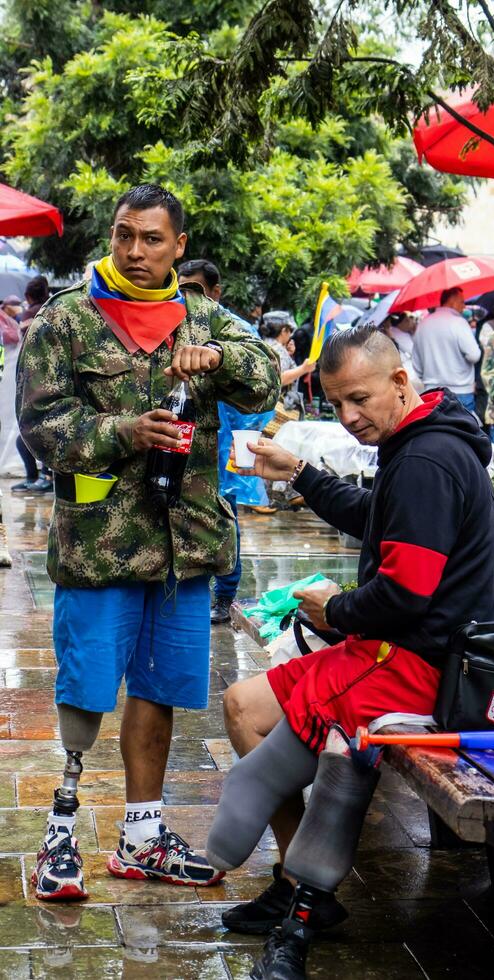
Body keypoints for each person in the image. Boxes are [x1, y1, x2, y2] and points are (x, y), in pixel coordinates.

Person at [203, 324, 494, 980]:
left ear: (400, 382)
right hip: (397, 649)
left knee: (345, 742)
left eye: (359, 399)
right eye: (336, 403)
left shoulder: (424, 459)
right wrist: (303, 474)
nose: (348, 416)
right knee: (243, 706)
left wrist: (332, 608)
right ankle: (294, 881)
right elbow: (380, 520)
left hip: (429, 667)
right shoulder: (417, 440)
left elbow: (406, 596)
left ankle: (303, 916)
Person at [16, 183, 279, 902]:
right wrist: (123, 432)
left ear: (179, 247)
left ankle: (141, 835)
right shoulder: (65, 321)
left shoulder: (204, 318)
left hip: (182, 548)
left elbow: (264, 387)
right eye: (124, 235)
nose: (135, 251)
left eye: (152, 239)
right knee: (86, 688)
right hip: (101, 545)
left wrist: (218, 360)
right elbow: (40, 425)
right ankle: (60, 833)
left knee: (160, 690)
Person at [177, 257, 259, 622]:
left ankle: (225, 596)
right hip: (189, 448)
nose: (186, 296)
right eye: (181, 288)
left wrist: (240, 449)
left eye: (194, 289)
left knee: (227, 518)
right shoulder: (177, 325)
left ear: (215, 292)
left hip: (226, 447)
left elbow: (258, 395)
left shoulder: (233, 331)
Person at [12, 276, 54, 494]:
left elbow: (26, 345)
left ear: (28, 295)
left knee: (29, 434)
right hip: (50, 379)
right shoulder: (50, 309)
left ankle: (39, 477)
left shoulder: (30, 314)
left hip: (33, 380)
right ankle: (43, 477)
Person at [411, 287, 481, 412]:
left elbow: (417, 366)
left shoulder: (423, 324)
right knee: (463, 431)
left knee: (437, 430)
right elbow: (474, 355)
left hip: (431, 392)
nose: (464, 306)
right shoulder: (459, 323)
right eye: (462, 302)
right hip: (460, 391)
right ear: (452, 301)